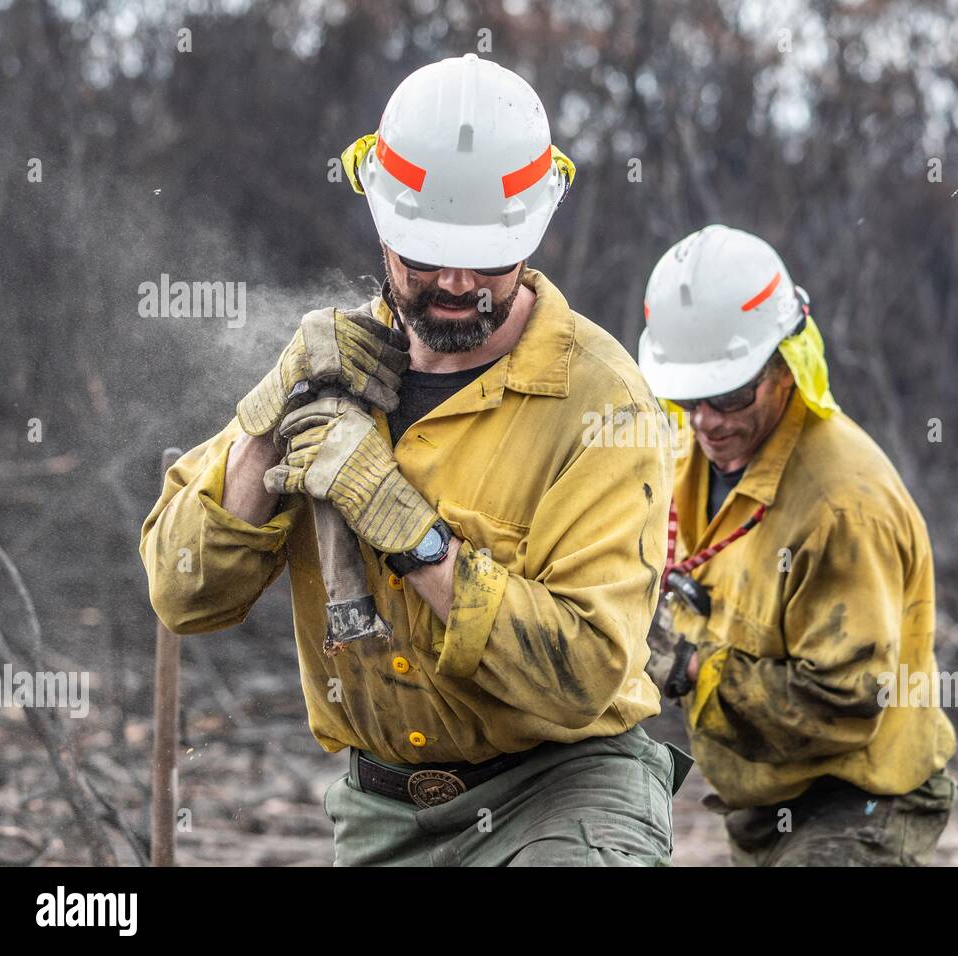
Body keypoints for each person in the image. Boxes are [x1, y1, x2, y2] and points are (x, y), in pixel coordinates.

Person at [140, 54, 689, 867]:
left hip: (564, 792)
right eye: (426, 256)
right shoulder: (326, 373)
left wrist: (408, 531)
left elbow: (582, 674)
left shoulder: (604, 406)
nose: (459, 283)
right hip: (382, 811)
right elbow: (183, 593)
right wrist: (269, 415)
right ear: (382, 223)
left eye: (490, 261)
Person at [639, 225, 956, 866]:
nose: (707, 422)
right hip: (759, 798)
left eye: (728, 395)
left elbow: (848, 702)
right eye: (688, 397)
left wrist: (690, 667)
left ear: (787, 366)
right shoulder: (684, 458)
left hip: (863, 798)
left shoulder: (842, 507)